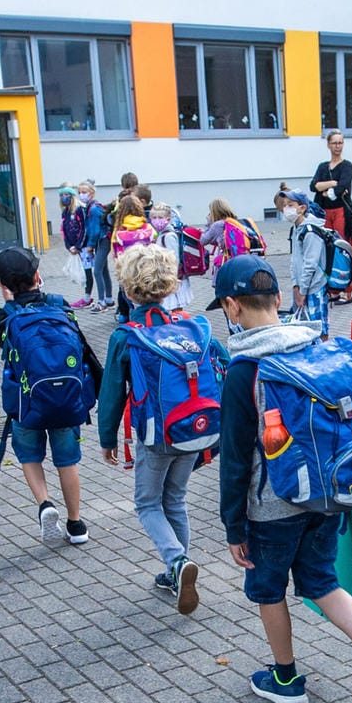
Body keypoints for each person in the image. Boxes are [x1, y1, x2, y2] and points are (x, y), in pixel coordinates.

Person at [212, 255, 352, 703]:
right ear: (279, 299)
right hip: (327, 497)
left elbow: (237, 459)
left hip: (272, 508)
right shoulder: (316, 344)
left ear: (231, 307)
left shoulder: (245, 371)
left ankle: (285, 679)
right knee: (321, 581)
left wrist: (232, 525)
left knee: (268, 590)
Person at [99, 244, 208, 611]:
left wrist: (106, 438)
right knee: (174, 499)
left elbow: (112, 393)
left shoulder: (126, 335)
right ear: (171, 285)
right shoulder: (192, 326)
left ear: (128, 290)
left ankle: (176, 562)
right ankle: (175, 570)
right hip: (194, 429)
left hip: (156, 435)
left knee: (147, 503)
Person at [0, 247, 91, 547]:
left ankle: (45, 504)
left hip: (26, 403)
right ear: (38, 275)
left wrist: (9, 303)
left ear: (4, 285)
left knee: (30, 455)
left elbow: (3, 345)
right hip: (65, 400)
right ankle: (76, 524)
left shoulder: (6, 316)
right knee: (67, 460)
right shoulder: (60, 305)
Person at [275, 184, 332, 344]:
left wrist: (303, 290)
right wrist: (295, 286)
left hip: (313, 287)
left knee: (319, 330)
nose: (286, 209)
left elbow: (310, 263)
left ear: (302, 208)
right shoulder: (296, 229)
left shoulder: (310, 230)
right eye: (285, 205)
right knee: (303, 330)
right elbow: (294, 261)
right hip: (302, 288)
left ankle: (324, 359)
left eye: (291, 205)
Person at [310, 130, 352, 304]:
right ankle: (333, 289)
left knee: (343, 247)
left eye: (340, 142)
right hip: (324, 212)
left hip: (341, 212)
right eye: (334, 143)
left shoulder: (347, 166)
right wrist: (331, 184)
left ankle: (348, 290)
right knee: (327, 248)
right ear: (328, 145)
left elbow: (343, 186)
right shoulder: (323, 166)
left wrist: (326, 189)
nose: (338, 146)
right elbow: (313, 186)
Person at [148, 202, 193, 312]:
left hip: (171, 277)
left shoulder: (168, 236)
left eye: (160, 217)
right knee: (171, 306)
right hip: (166, 276)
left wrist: (172, 278)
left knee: (176, 307)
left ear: (168, 219)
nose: (157, 220)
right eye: (154, 217)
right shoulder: (161, 234)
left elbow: (175, 259)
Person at [79, 180, 114, 311]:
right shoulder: (93, 207)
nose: (81, 195)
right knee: (103, 269)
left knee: (97, 270)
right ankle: (109, 299)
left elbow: (94, 230)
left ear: (91, 193)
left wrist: (90, 245)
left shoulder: (92, 209)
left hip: (102, 240)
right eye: (80, 192)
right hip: (104, 239)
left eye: (84, 192)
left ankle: (101, 302)